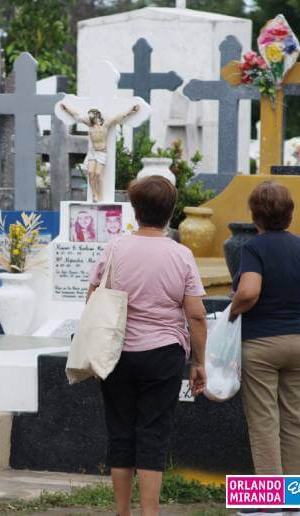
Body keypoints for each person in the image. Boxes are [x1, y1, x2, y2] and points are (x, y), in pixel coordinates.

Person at [87, 176, 207, 516]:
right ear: (170, 213)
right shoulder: (181, 255)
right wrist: (199, 361)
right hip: (164, 354)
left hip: (117, 353)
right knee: (153, 433)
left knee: (120, 431)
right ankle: (149, 512)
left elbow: (93, 297)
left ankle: (122, 511)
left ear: (135, 210)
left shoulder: (115, 248)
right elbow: (196, 315)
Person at [229, 182, 300, 488]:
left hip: (260, 345)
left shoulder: (254, 248)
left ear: (255, 215)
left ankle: (271, 502)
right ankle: (298, 503)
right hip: (299, 344)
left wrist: (232, 313)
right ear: (290, 213)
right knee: (296, 421)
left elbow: (248, 292)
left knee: (264, 423)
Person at [60, 104, 140, 202]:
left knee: (97, 174)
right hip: (93, 152)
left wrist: (131, 110)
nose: (89, 117)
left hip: (102, 152)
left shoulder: (105, 125)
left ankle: (100, 194)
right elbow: (76, 115)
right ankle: (94, 194)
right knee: (90, 173)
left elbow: (119, 117)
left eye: (91, 115)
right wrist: (66, 108)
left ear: (97, 115)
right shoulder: (89, 124)